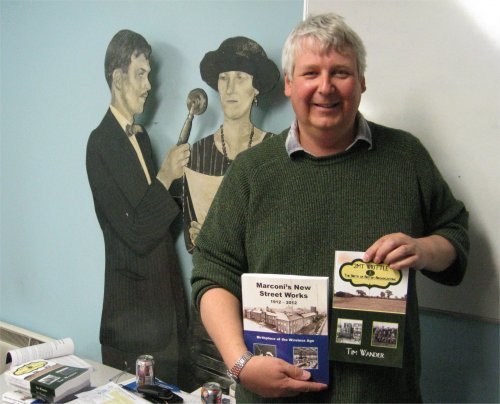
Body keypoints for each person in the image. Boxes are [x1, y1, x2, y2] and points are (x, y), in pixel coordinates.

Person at [191, 13, 469, 403]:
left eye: (341, 72)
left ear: (362, 82)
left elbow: (455, 235)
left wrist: (423, 249)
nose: (326, 87)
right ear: (289, 84)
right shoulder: (252, 172)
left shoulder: (406, 157)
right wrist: (241, 364)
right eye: (310, 73)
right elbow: (211, 273)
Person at [86, 29, 190, 387]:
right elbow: (135, 233)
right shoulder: (99, 143)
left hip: (166, 314)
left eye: (151, 75)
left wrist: (186, 193)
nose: (150, 86)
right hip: (130, 325)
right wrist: (165, 176)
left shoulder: (141, 136)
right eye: (141, 74)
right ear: (118, 79)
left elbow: (155, 220)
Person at [183, 36, 280, 393]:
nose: (230, 88)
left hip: (267, 309)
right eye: (224, 78)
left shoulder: (277, 152)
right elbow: (193, 244)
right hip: (211, 312)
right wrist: (199, 234)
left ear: (257, 88)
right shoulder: (196, 153)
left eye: (240, 77)